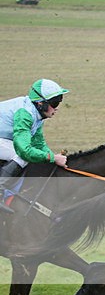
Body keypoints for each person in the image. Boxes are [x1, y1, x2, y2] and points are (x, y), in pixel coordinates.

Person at [0, 78, 70, 213]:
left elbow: (38, 143)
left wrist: (53, 158)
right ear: (40, 103)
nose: (56, 108)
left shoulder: (36, 115)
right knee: (21, 156)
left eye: (58, 102)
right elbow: (24, 151)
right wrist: (52, 158)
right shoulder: (25, 114)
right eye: (54, 103)